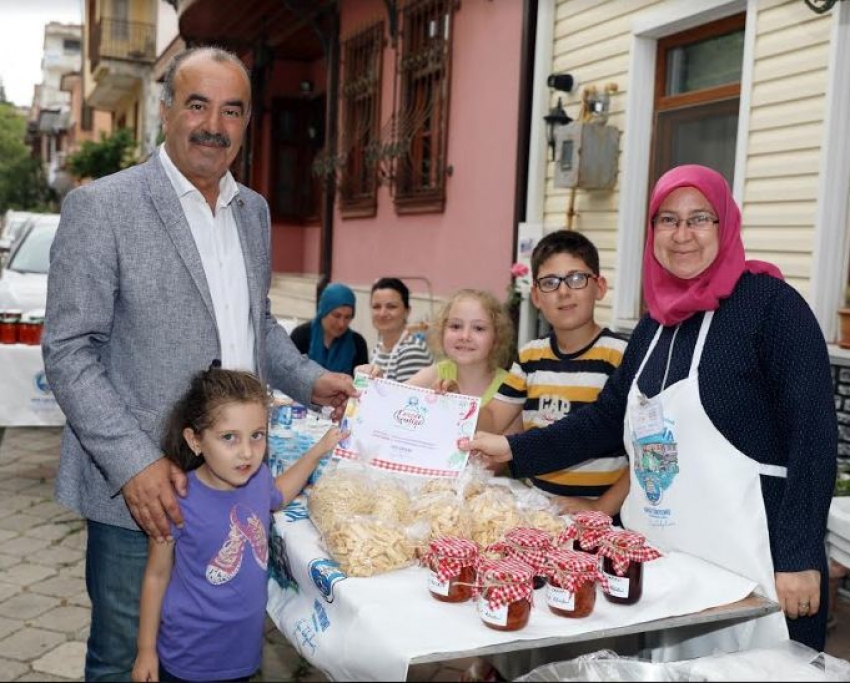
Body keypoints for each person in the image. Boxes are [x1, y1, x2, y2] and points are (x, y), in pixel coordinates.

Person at [42, 46, 356, 681]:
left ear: (246, 124)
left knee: (217, 649)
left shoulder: (254, 211)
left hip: (234, 482)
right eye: (197, 104)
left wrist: (309, 378)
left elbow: (253, 322)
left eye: (231, 110)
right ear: (165, 112)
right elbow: (69, 350)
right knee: (124, 657)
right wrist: (135, 463)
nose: (213, 123)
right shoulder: (103, 207)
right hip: (145, 492)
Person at [466, 164, 837, 657]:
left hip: (757, 560)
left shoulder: (772, 308)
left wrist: (798, 555)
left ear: (724, 226)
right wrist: (511, 447)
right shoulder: (655, 326)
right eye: (667, 220)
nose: (682, 235)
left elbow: (813, 437)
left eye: (699, 219)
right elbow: (604, 422)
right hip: (670, 562)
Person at [131, 366, 346, 683]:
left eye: (257, 435)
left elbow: (279, 494)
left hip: (242, 652)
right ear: (195, 440)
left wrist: (318, 451)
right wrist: (146, 649)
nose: (247, 452)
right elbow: (156, 575)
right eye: (229, 438)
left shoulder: (257, 479)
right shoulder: (178, 500)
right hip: (189, 657)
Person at [477, 230, 629, 517]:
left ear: (599, 287)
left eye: (576, 279)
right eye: (549, 282)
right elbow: (494, 419)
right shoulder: (530, 356)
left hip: (603, 520)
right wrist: (455, 403)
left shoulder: (621, 356)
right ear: (535, 296)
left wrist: (601, 508)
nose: (563, 291)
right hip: (538, 511)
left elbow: (643, 452)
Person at [405, 288, 513, 406]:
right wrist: (381, 384)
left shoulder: (509, 386)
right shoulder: (433, 375)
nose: (465, 336)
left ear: (497, 336)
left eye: (478, 328)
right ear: (442, 331)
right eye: (456, 326)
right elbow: (392, 400)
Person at [289, 282, 369, 376]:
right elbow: (289, 375)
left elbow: (363, 383)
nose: (341, 324)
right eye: (336, 316)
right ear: (323, 311)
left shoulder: (357, 343)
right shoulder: (301, 336)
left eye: (347, 317)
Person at [366, 277, 433, 382]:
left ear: (407, 311)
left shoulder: (413, 350)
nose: (382, 313)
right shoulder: (378, 348)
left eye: (391, 306)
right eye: (376, 306)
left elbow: (404, 397)